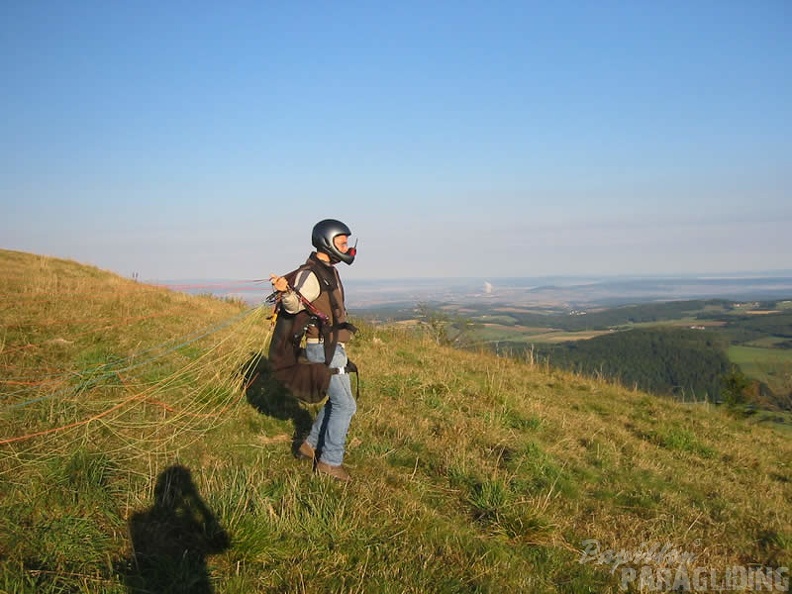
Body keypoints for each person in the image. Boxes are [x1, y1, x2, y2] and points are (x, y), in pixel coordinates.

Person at [269, 219, 358, 482]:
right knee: (346, 405)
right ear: (327, 242)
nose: (347, 248)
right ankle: (330, 462)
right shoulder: (311, 274)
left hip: (331, 346)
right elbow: (294, 305)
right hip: (323, 348)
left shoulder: (327, 269)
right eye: (342, 243)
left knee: (338, 401)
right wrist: (285, 293)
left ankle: (310, 445)